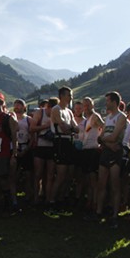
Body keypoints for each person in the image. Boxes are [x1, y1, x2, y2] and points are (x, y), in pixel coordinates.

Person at [92, 91, 127, 228]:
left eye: (107, 101)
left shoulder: (121, 117)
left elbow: (113, 137)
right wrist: (108, 142)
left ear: (114, 102)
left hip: (115, 155)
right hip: (106, 152)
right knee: (101, 184)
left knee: (114, 186)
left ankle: (114, 216)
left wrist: (106, 140)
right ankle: (99, 212)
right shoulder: (107, 117)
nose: (106, 103)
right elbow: (100, 138)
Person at [45, 86, 79, 216]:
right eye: (69, 95)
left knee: (68, 174)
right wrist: (71, 128)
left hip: (68, 142)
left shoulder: (69, 112)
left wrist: (70, 128)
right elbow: (65, 128)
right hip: (60, 142)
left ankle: (60, 200)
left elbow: (77, 129)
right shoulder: (56, 109)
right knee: (60, 175)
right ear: (62, 96)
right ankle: (51, 202)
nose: (71, 97)